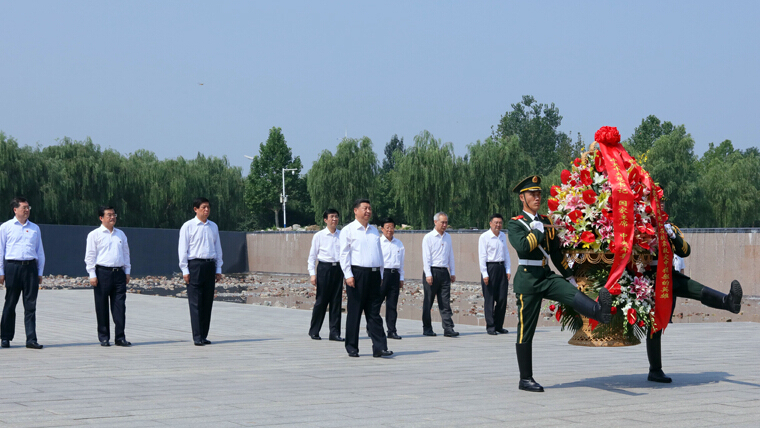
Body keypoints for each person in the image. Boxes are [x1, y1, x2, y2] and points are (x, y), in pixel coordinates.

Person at [508, 176, 612, 392]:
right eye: (532, 194)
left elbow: (555, 253)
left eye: (539, 194)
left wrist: (569, 276)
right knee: (525, 330)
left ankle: (600, 312)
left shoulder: (546, 220)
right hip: (528, 280)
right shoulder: (516, 223)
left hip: (546, 275)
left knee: (569, 292)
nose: (537, 197)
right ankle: (525, 378)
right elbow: (523, 247)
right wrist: (537, 230)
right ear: (522, 198)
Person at [645, 222, 742, 383]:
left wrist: (672, 235)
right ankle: (655, 370)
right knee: (655, 324)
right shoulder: (640, 225)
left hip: (669, 276)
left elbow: (685, 251)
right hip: (648, 279)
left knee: (695, 288)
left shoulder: (669, 227)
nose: (660, 208)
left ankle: (728, 302)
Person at [339, 199, 392, 358]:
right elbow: (344, 254)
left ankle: (380, 347)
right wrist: (348, 275)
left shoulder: (374, 230)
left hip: (374, 274)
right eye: (365, 208)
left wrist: (381, 274)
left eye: (369, 208)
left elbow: (379, 253)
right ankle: (352, 347)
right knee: (355, 312)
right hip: (357, 274)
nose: (368, 211)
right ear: (356, 210)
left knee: (374, 312)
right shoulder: (348, 230)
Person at [0, 197, 45, 349]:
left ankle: (31, 339)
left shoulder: (35, 228)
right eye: (24, 207)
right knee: (10, 303)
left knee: (30, 305)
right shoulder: (6, 227)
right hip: (13, 267)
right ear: (15, 209)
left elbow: (39, 251)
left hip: (30, 268)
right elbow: (1, 250)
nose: (27, 210)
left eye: (28, 207)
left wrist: (40, 271)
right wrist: (1, 272)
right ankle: (5, 337)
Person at [84, 206, 132, 347]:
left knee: (120, 306)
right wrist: (92, 274)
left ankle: (120, 337)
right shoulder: (94, 234)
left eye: (114, 214)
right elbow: (90, 256)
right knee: (101, 306)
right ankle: (104, 337)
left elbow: (126, 253)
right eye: (109, 215)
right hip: (102, 273)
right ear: (101, 218)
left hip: (119, 273)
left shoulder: (120, 234)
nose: (112, 217)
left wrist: (127, 271)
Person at [178, 197, 223, 346]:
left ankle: (204, 335)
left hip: (209, 265)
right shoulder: (188, 226)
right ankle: (197, 336)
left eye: (208, 207)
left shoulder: (213, 226)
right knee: (196, 302)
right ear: (195, 209)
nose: (206, 210)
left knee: (207, 302)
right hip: (195, 265)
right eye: (203, 207)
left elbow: (218, 248)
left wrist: (218, 268)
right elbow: (182, 249)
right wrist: (185, 270)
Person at [307, 208, 344, 341]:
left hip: (338, 269)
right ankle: (314, 331)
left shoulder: (342, 235)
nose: (334, 219)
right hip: (324, 268)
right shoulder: (319, 236)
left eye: (336, 216)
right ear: (325, 220)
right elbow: (312, 257)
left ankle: (334, 333)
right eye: (332, 217)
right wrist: (312, 274)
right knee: (321, 301)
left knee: (336, 301)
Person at [421, 212, 459, 337]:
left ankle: (448, 328)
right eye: (442, 222)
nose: (444, 225)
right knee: (428, 301)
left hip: (444, 272)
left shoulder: (448, 237)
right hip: (432, 271)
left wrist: (452, 272)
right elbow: (426, 257)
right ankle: (427, 328)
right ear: (435, 222)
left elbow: (450, 255)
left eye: (446, 222)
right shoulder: (428, 237)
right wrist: (428, 274)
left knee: (445, 302)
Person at [478, 213, 511, 335]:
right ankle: (490, 326)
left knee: (502, 299)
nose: (498, 225)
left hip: (501, 268)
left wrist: (508, 270)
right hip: (490, 268)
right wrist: (484, 273)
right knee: (489, 299)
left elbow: (506, 253)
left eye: (500, 223)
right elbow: (482, 256)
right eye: (496, 222)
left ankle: (499, 325)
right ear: (490, 223)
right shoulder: (484, 237)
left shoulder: (502, 236)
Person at [379, 217, 405, 340]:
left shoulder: (399, 243)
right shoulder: (378, 243)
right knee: (376, 303)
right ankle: (372, 328)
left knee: (392, 305)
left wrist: (401, 278)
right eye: (387, 227)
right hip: (382, 275)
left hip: (395, 275)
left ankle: (392, 330)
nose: (390, 230)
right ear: (382, 229)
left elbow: (401, 262)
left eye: (392, 227)